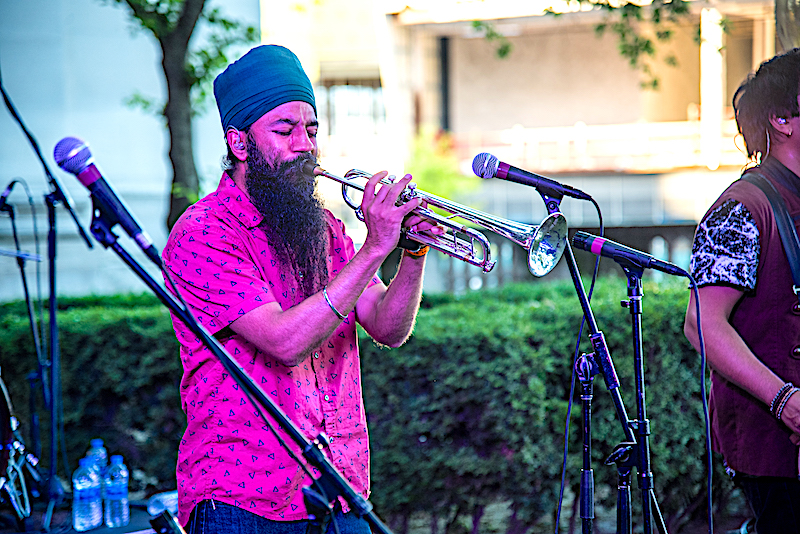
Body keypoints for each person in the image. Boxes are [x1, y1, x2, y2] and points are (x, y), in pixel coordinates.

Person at [162, 44, 439, 534]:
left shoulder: (325, 229)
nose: (305, 145)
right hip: (245, 500)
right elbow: (285, 342)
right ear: (240, 143)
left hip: (340, 487)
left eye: (311, 130)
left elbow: (388, 327)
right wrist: (375, 248)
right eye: (285, 130)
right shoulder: (204, 231)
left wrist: (411, 253)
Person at [684, 48, 800, 533]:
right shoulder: (741, 208)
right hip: (778, 452)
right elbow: (701, 325)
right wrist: (784, 401)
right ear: (781, 119)